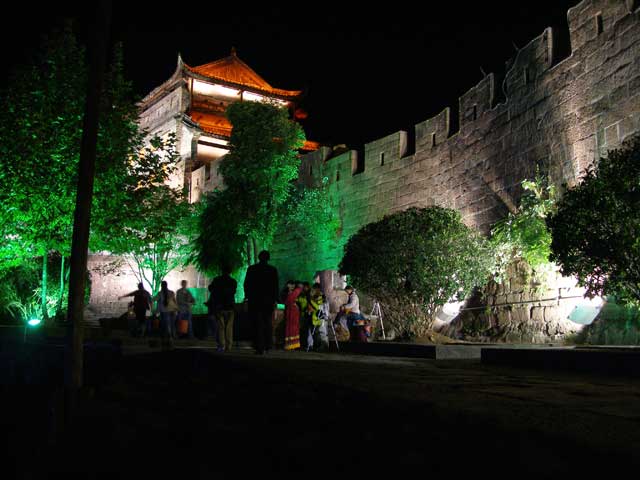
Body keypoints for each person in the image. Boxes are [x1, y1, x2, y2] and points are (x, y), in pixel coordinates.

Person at [244, 250, 279, 355]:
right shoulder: (272, 270)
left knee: (256, 323)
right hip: (268, 301)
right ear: (268, 258)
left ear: (259, 257)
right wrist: (275, 300)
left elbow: (247, 284)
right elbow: (275, 286)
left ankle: (259, 346)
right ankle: (268, 345)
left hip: (255, 300)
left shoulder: (252, 269)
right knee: (267, 322)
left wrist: (248, 297)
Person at [209, 264, 237, 352]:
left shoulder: (217, 280)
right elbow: (233, 292)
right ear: (230, 271)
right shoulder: (233, 281)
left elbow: (211, 288)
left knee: (221, 327)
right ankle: (229, 345)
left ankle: (222, 345)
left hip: (219, 306)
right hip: (229, 306)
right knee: (229, 327)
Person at [284, 281, 303, 351]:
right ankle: (289, 345)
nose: (289, 287)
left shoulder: (295, 293)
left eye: (290, 285)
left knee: (293, 329)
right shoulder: (288, 293)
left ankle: (293, 345)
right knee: (289, 328)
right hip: (289, 312)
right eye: (288, 285)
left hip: (294, 313)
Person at [296, 281, 311, 349]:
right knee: (301, 330)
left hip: (306, 315)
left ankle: (304, 345)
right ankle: (300, 344)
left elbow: (310, 304)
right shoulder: (300, 294)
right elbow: (297, 302)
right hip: (301, 314)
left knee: (305, 331)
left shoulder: (309, 294)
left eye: (304, 287)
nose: (303, 288)